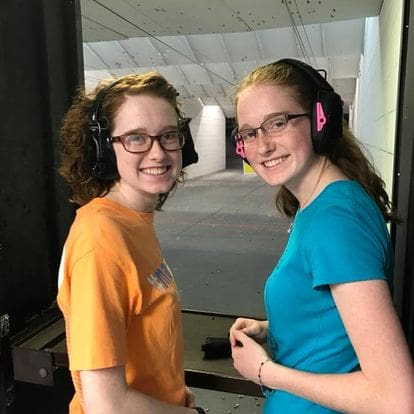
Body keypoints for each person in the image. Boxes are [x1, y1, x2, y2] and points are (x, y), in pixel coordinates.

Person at [229, 59, 414, 413]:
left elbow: (395, 399)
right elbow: (337, 313)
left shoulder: (336, 219)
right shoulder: (319, 205)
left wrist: (265, 371)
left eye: (278, 123)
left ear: (319, 120)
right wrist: (275, 327)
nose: (263, 145)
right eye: (249, 132)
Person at [57, 71, 206, 414]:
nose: (158, 152)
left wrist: (174, 395)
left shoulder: (132, 222)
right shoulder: (101, 239)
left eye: (169, 135)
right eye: (136, 138)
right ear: (103, 148)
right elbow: (106, 405)